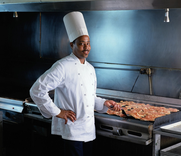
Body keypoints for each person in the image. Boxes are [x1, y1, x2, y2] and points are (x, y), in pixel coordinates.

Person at [29, 11, 121, 156]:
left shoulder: (90, 69)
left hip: (89, 130)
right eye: (81, 44)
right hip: (71, 130)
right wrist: (58, 112)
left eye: (88, 43)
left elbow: (88, 97)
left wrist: (104, 103)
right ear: (72, 45)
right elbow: (36, 90)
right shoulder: (62, 66)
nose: (86, 47)